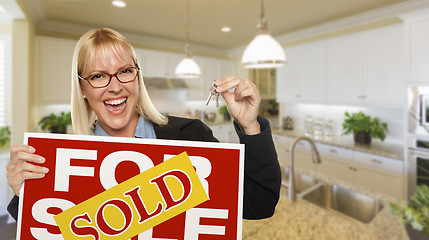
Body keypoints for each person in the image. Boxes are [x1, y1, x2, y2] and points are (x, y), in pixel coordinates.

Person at [6, 28, 281, 221]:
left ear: (137, 78)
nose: (115, 87)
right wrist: (28, 196)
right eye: (99, 76)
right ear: (82, 89)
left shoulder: (191, 137)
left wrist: (249, 125)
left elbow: (260, 203)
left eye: (125, 71)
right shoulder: (63, 163)